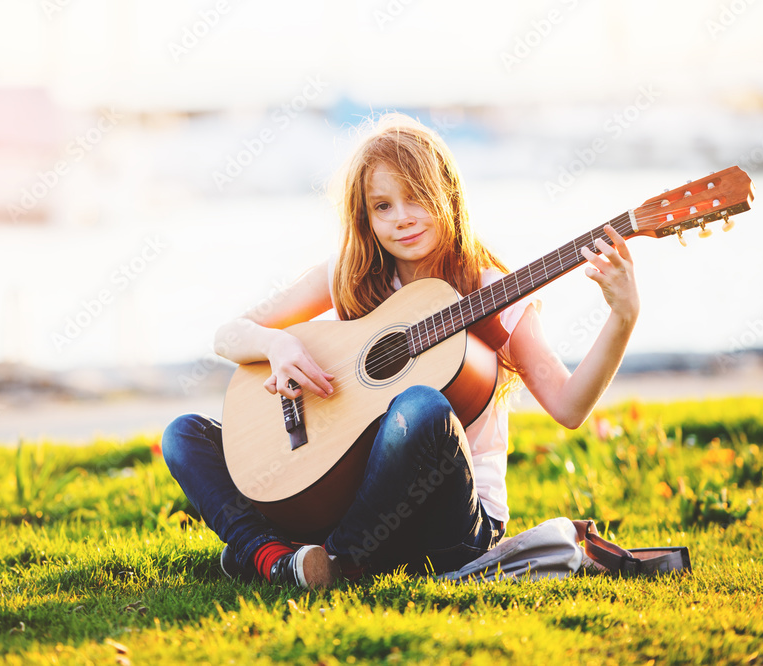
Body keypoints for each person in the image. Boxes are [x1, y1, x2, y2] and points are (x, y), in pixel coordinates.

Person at [163, 113, 639, 589]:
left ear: (447, 196)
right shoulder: (348, 275)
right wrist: (277, 343)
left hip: (453, 526)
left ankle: (330, 561)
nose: (403, 218)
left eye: (416, 197)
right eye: (383, 206)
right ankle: (271, 556)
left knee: (424, 407)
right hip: (350, 501)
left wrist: (622, 317)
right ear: (365, 217)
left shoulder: (493, 294)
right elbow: (229, 334)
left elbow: (570, 406)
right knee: (185, 435)